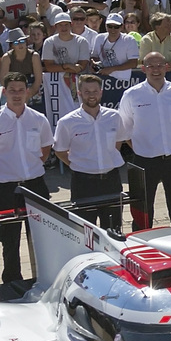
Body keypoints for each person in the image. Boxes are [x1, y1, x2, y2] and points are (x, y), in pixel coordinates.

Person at [0, 75, 53, 298]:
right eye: (12, 90)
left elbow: (46, 148)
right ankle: (12, 281)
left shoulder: (38, 120)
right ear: (4, 92)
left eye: (21, 89)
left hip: (35, 185)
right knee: (9, 238)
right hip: (7, 188)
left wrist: (31, 168)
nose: (17, 94)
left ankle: (43, 278)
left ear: (27, 92)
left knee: (40, 237)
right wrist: (0, 177)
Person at [117, 52, 171, 231]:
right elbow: (125, 128)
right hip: (145, 161)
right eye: (151, 66)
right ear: (143, 69)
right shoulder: (132, 95)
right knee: (143, 212)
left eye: (160, 65)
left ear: (166, 67)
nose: (156, 70)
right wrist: (141, 148)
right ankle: (141, 252)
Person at [53, 73, 126, 233]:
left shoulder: (114, 117)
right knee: (85, 233)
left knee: (114, 230)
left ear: (101, 92)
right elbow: (59, 151)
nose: (91, 95)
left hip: (111, 181)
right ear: (79, 93)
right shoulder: (67, 122)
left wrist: (107, 159)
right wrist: (78, 164)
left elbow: (118, 142)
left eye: (95, 91)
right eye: (87, 92)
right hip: (83, 183)